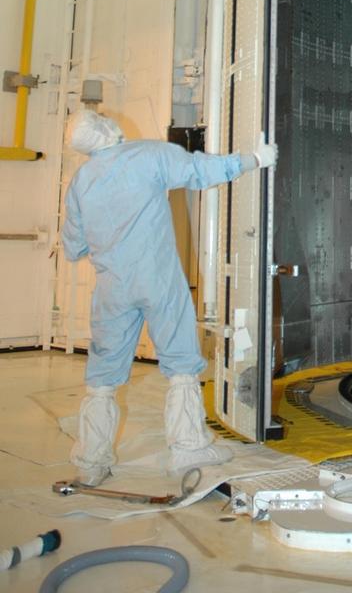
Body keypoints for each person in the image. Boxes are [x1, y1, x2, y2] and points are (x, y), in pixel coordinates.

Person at [61, 107, 277, 486]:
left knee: (102, 374)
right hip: (157, 279)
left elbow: (73, 245)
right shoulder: (147, 154)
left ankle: (91, 462)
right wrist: (254, 160)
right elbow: (199, 171)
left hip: (111, 287)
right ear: (106, 128)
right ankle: (188, 448)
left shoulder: (81, 180)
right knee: (180, 363)